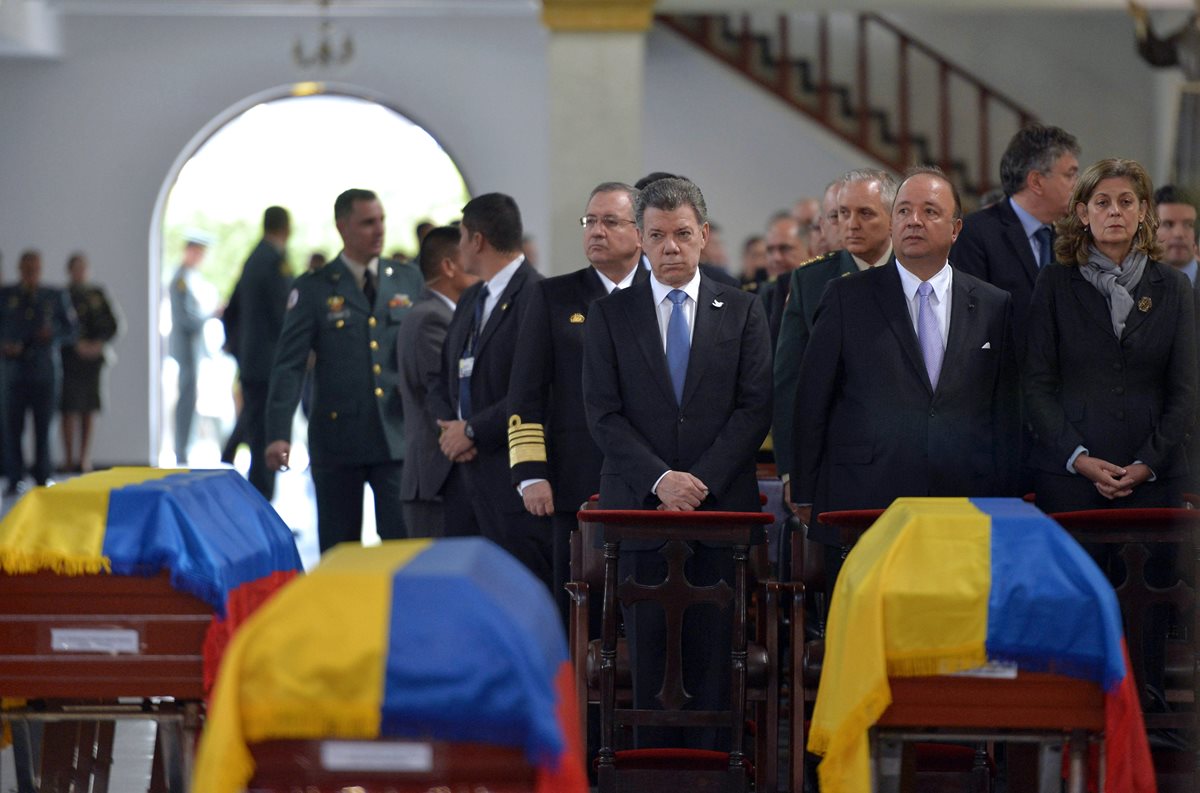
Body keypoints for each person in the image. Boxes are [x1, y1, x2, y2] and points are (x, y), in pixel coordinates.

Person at [582, 176, 772, 748]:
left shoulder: (741, 310)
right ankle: (649, 772)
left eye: (682, 234)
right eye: (658, 235)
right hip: (641, 520)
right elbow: (603, 415)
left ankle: (716, 774)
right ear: (640, 237)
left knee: (716, 665)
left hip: (719, 521)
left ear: (703, 236)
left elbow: (754, 407)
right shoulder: (610, 315)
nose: (671, 247)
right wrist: (661, 480)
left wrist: (701, 480)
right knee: (651, 667)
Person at [793, 167, 1020, 590]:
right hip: (865, 499)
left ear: (955, 229)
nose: (914, 220)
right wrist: (805, 491)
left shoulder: (993, 305)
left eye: (929, 211)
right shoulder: (846, 297)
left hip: (961, 500)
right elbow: (812, 399)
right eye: (904, 211)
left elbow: (1004, 411)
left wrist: (1006, 499)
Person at [507, 181, 648, 623]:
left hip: (651, 481)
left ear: (642, 232)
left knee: (642, 609)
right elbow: (525, 391)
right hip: (574, 481)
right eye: (590, 221)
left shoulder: (662, 292)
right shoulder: (552, 296)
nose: (596, 231)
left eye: (610, 221)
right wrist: (530, 473)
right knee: (576, 611)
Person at [1025, 158, 1198, 513]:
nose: (1115, 212)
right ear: (1083, 213)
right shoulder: (1054, 283)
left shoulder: (1174, 286)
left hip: (1155, 478)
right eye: (1102, 203)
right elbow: (1036, 385)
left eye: (1126, 202)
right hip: (1070, 478)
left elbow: (1184, 390)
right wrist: (1079, 458)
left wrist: (1146, 464)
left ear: (1143, 211)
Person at [265, 188, 423, 552]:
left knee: (403, 548)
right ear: (343, 227)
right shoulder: (314, 288)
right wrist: (278, 433)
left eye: (381, 220)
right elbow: (289, 365)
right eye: (368, 222)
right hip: (338, 441)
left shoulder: (406, 279)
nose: (379, 230)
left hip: (396, 437)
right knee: (340, 550)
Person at [429, 192, 552, 588]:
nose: (460, 246)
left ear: (477, 240)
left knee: (517, 590)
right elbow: (441, 377)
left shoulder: (538, 295)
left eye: (462, 236)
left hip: (507, 472)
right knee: (466, 593)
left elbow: (533, 390)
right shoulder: (471, 297)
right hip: (462, 473)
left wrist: (471, 430)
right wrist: (451, 430)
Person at [773, 169, 896, 500]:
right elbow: (789, 383)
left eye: (865, 213)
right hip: (838, 459)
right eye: (843, 214)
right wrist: (790, 472)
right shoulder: (811, 281)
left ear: (892, 217)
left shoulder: (916, 270)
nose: (851, 224)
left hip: (907, 456)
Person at [951, 124, 1080, 352]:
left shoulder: (1068, 239)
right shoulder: (976, 233)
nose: (1077, 185)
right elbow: (970, 324)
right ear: (1037, 182)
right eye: (1070, 175)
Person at [397, 226, 478, 537]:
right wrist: (468, 434)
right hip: (437, 477)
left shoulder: (447, 314)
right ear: (449, 266)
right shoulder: (431, 318)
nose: (476, 267)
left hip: (447, 477)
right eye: (468, 258)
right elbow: (444, 391)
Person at [229, 206, 292, 500]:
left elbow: (231, 311)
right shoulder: (274, 261)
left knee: (256, 434)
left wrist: (239, 349)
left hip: (252, 360)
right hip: (270, 363)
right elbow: (284, 313)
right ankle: (262, 506)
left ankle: (257, 503)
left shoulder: (252, 259)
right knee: (267, 439)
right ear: (286, 229)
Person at [1, 250, 76, 493]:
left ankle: (43, 476)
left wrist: (52, 334)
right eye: (26, 268)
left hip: (45, 372)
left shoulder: (54, 296)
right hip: (14, 372)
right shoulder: (6, 296)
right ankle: (14, 477)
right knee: (13, 427)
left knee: (44, 427)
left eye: (35, 268)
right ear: (19, 269)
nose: (31, 273)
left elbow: (72, 330)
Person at [60, 253, 119, 474]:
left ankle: (84, 458)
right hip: (71, 359)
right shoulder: (63, 295)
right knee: (69, 408)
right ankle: (68, 458)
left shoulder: (97, 294)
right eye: (76, 268)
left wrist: (97, 344)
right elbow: (60, 325)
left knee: (89, 408)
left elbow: (113, 324)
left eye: (83, 267)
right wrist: (75, 344)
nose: (80, 272)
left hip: (93, 361)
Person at [1131, 1, 1200, 191]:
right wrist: (1142, 21)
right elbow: (1156, 53)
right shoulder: (1186, 36)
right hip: (1194, 103)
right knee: (1190, 157)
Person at [168, 234, 210, 464]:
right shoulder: (181, 279)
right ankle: (181, 450)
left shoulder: (190, 278)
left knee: (190, 399)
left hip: (192, 348)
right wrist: (208, 316)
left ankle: (184, 447)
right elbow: (186, 318)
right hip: (186, 348)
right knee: (186, 399)